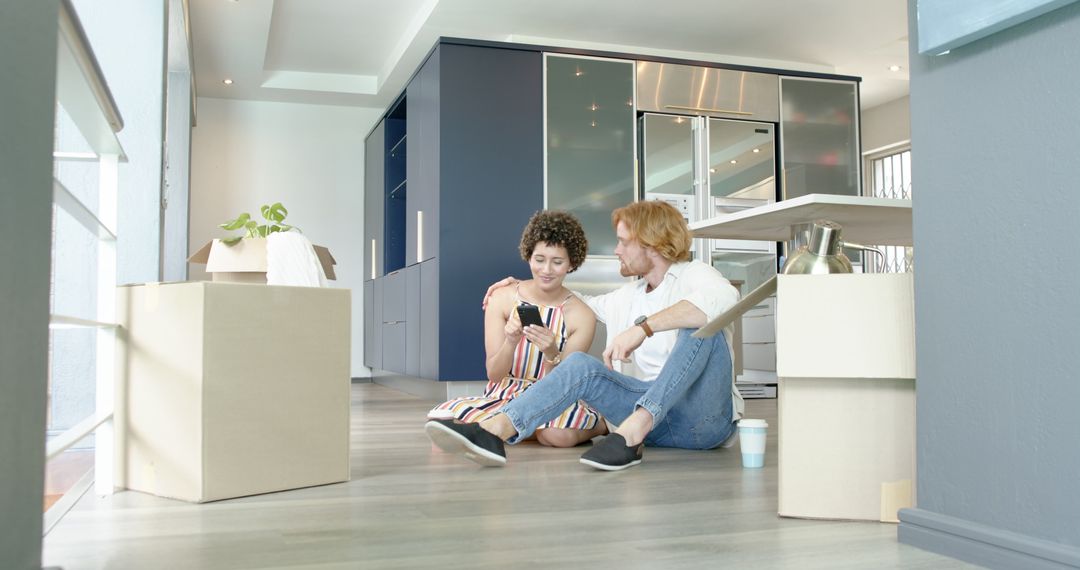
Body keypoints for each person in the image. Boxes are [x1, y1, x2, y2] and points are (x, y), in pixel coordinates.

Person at [425, 200, 743, 470]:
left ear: (650, 242)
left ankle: (637, 427)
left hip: (701, 421)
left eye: (623, 242)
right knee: (578, 363)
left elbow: (724, 300)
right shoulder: (625, 296)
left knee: (703, 327)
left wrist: (643, 327)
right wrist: (523, 287)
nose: (616, 250)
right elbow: (570, 301)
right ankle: (494, 430)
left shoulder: (694, 274)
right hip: (654, 426)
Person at [427, 210, 608, 448]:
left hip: (554, 397)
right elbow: (494, 374)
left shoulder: (581, 315)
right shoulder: (502, 298)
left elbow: (564, 384)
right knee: (443, 416)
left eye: (557, 262)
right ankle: (521, 428)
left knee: (555, 436)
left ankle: (600, 424)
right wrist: (511, 341)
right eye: (539, 259)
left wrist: (551, 353)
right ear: (528, 255)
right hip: (505, 394)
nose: (546, 270)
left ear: (571, 263)